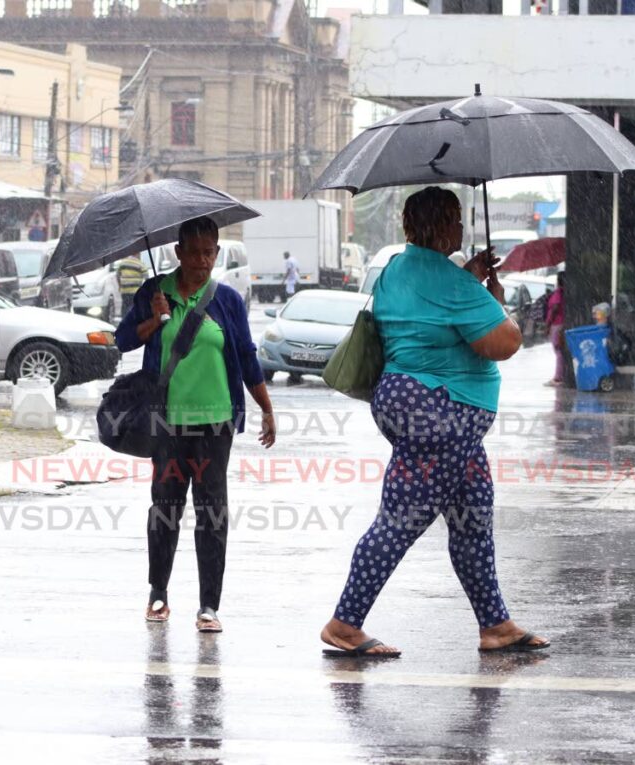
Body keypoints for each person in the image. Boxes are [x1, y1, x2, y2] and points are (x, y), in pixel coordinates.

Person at [319, 187, 549, 657]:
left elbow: (426, 313)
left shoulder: (395, 270)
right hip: (439, 411)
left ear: (407, 226)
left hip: (418, 406)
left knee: (472, 518)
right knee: (399, 520)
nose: (462, 230)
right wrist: (494, 299)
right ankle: (345, 623)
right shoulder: (454, 284)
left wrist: (466, 278)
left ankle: (495, 625)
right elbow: (503, 343)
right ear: (446, 226)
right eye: (456, 221)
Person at [116, 217, 277, 633]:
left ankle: (209, 605)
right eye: (196, 251)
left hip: (216, 424)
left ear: (217, 254)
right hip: (167, 423)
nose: (203, 261)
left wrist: (266, 407)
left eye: (210, 252)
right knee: (165, 508)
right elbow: (123, 340)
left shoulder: (226, 300)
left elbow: (245, 356)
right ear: (178, 252)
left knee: (212, 512)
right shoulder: (155, 292)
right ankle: (158, 593)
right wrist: (155, 320)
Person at [545, 272, 566, 386]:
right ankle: (560, 375)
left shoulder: (558, 293)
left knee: (558, 351)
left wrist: (548, 324)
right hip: (563, 324)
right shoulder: (565, 293)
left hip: (557, 325)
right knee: (560, 351)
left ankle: (558, 377)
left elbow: (555, 308)